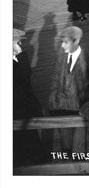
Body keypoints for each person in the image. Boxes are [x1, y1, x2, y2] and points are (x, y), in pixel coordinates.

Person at [48, 26, 89, 155]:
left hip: (80, 110)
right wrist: (53, 103)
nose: (62, 46)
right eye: (61, 42)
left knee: (79, 148)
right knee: (65, 148)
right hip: (61, 110)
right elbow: (54, 82)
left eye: (66, 42)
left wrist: (84, 99)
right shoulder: (60, 58)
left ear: (76, 41)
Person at [13, 29, 46, 166]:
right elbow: (25, 74)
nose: (20, 44)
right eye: (18, 41)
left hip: (23, 109)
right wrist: (20, 53)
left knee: (30, 141)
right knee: (25, 143)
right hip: (18, 110)